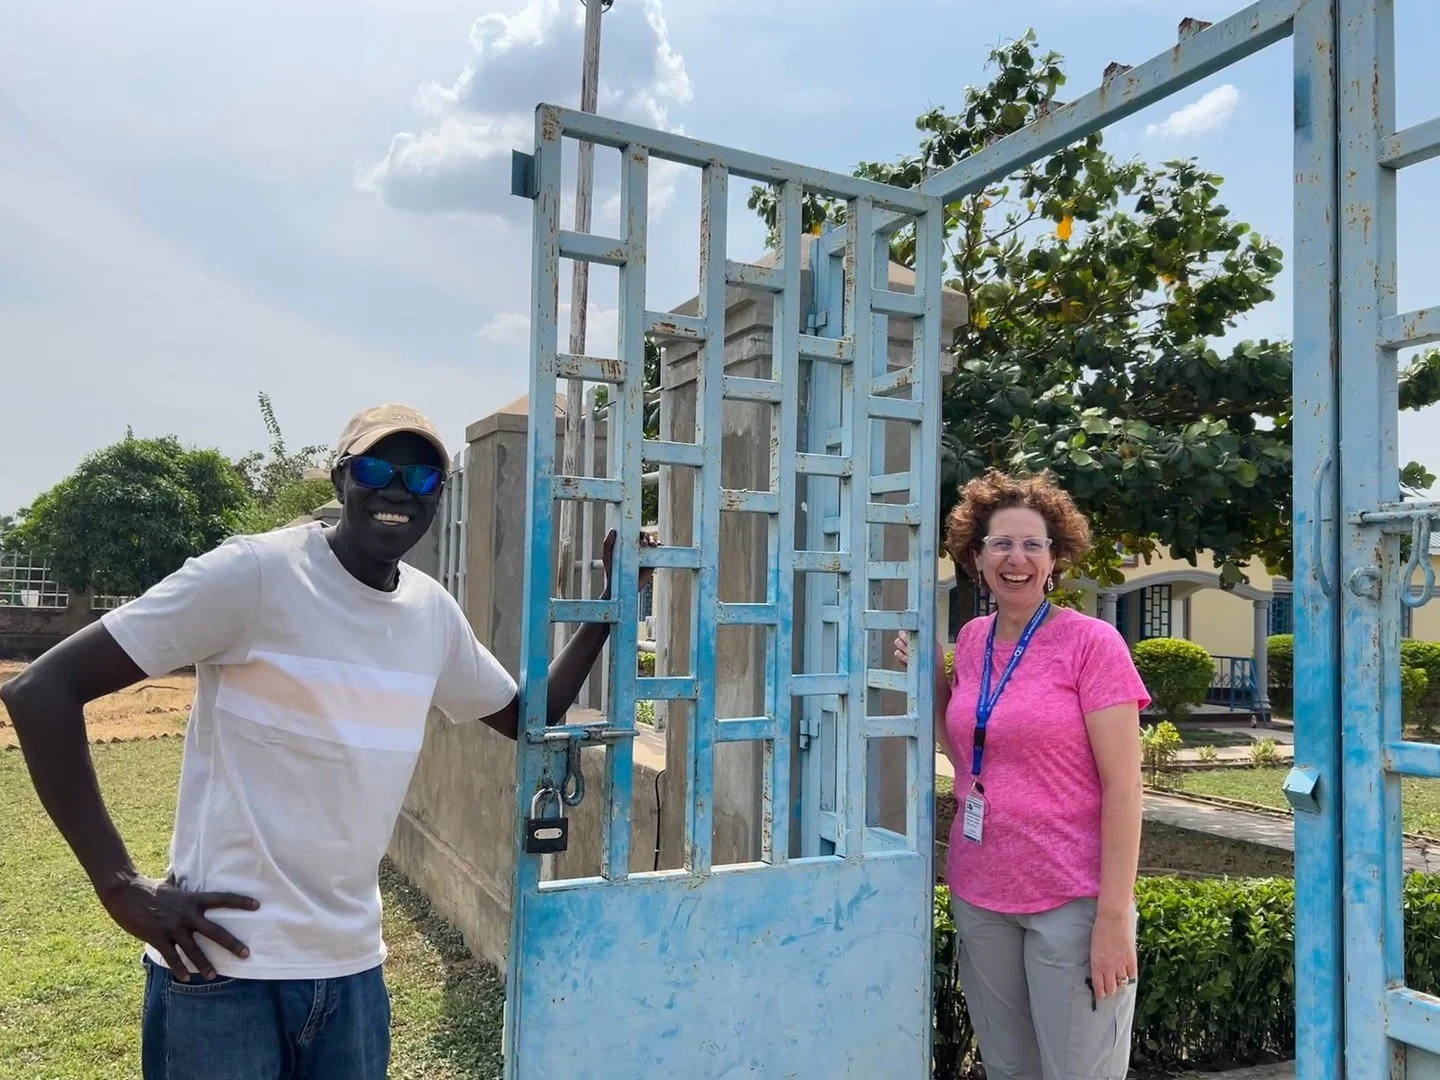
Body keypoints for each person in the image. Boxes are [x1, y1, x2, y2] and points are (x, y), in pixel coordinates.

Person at [1, 403, 652, 1080]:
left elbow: (530, 716)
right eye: (377, 468)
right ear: (341, 480)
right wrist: (118, 884)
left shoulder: (430, 614)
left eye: (423, 478)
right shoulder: (253, 575)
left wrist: (611, 606)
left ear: (438, 498)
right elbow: (40, 692)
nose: (399, 489)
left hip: (350, 977)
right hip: (221, 974)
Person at [896, 468, 1149, 1080]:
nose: (1018, 559)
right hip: (981, 888)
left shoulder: (1093, 644)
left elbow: (1124, 787)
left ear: (1056, 557)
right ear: (975, 557)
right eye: (1001, 544)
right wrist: (934, 680)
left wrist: (1114, 918)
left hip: (1072, 896)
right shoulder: (974, 638)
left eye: (1034, 544)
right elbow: (972, 758)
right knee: (1010, 1067)